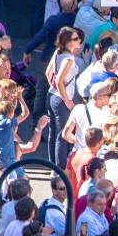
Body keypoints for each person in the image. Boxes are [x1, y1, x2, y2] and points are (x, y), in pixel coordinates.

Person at [46, 26, 84, 166]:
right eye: (75, 39)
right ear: (68, 43)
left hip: (51, 96)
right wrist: (67, 100)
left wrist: (55, 88)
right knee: (62, 135)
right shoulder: (69, 59)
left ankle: (52, 166)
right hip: (61, 100)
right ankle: (60, 169)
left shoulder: (58, 53)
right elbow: (58, 79)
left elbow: (48, 73)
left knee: (53, 132)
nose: (79, 40)